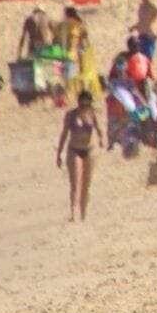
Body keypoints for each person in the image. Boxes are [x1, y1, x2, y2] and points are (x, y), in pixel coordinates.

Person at [57, 88, 102, 221]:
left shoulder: (93, 114)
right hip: (74, 149)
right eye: (82, 104)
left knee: (86, 184)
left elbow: (99, 130)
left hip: (89, 150)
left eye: (87, 104)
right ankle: (73, 213)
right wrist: (59, 153)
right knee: (75, 183)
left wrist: (102, 140)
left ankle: (84, 214)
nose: (84, 107)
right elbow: (64, 133)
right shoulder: (71, 115)